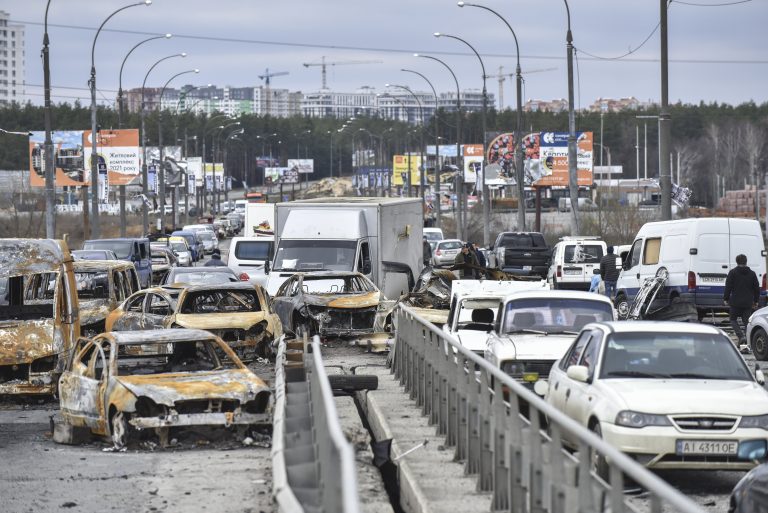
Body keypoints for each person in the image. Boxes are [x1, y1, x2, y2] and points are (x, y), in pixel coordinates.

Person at [724, 253, 760, 351]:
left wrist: (726, 298)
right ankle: (745, 342)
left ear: (737, 262)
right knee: (746, 322)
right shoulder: (752, 274)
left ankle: (741, 337)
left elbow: (728, 287)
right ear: (746, 261)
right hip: (748, 303)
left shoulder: (732, 273)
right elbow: (756, 288)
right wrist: (756, 301)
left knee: (733, 320)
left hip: (735, 302)